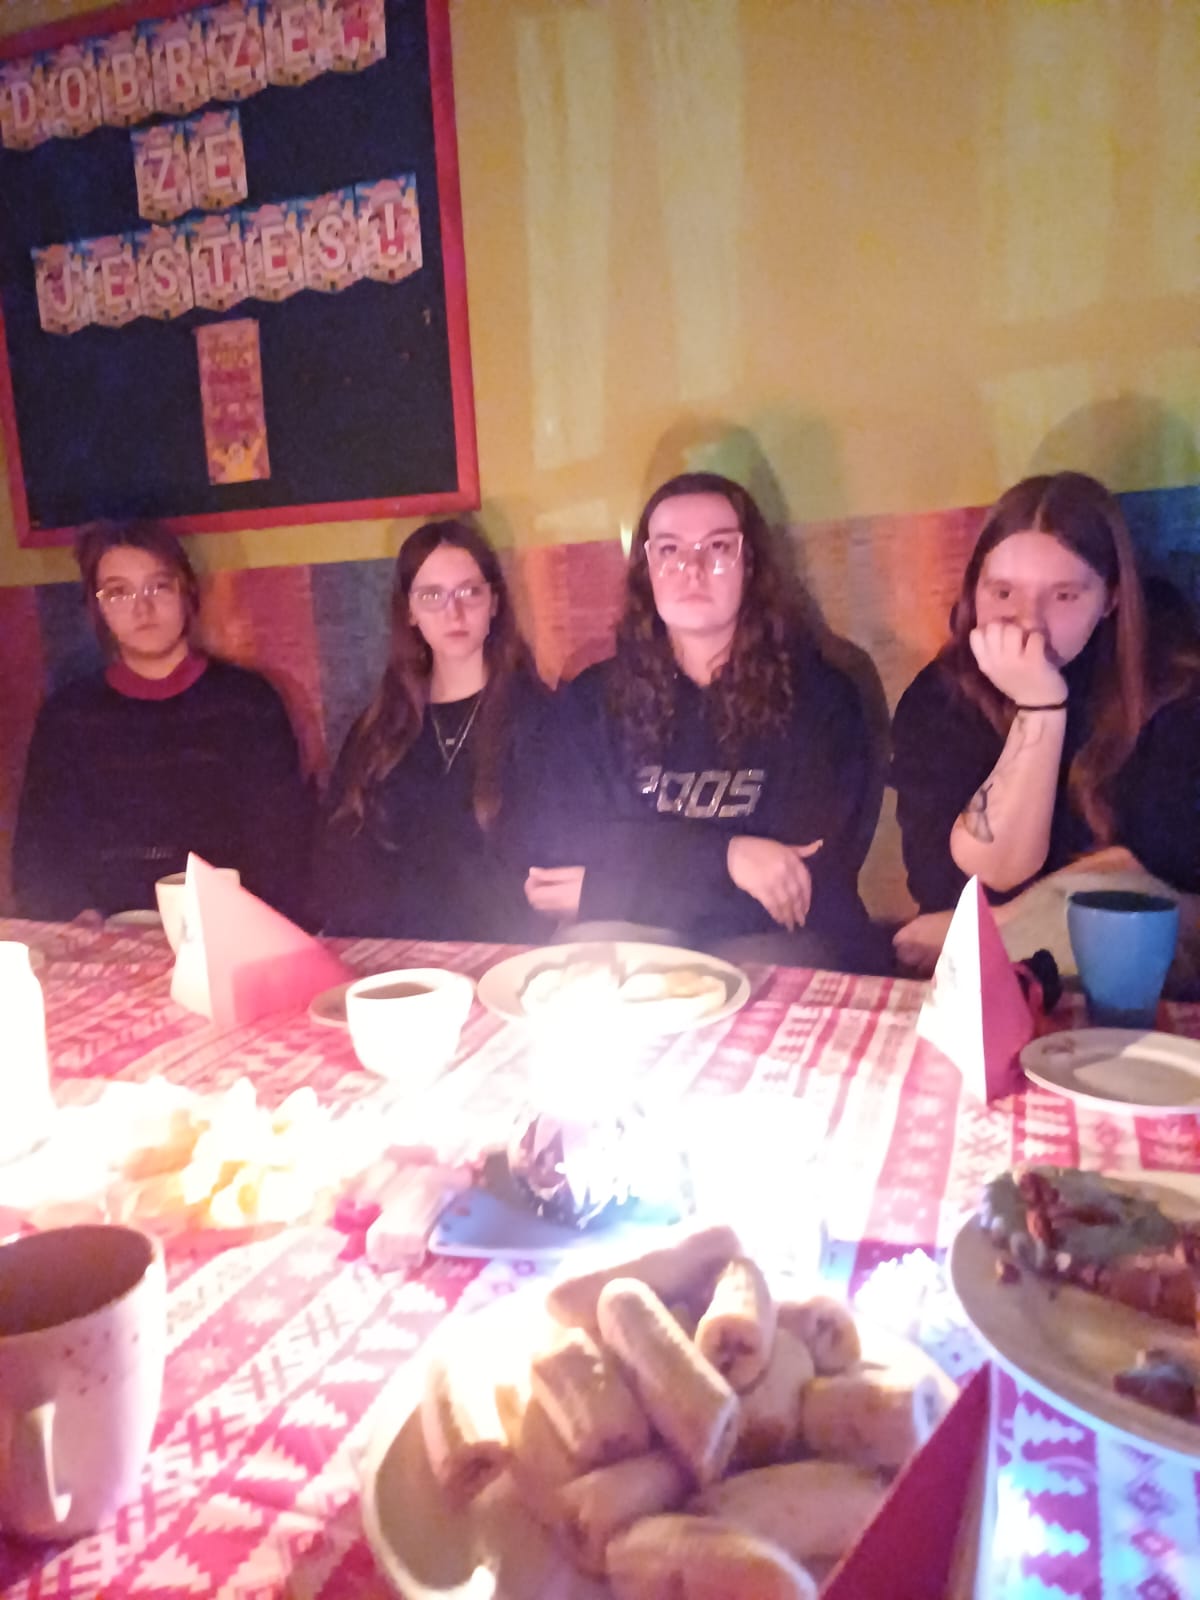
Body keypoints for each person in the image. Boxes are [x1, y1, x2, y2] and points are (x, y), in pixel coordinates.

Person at [528, 471, 881, 967]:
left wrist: (611, 887)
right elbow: (561, 851)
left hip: (776, 944)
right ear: (647, 569)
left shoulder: (823, 697)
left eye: (717, 547)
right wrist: (731, 857)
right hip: (635, 941)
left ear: (750, 565)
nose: (691, 569)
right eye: (669, 550)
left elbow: (805, 883)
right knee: (582, 960)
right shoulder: (591, 701)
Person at [891, 471, 1200, 970]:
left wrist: (1001, 919)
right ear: (974, 591)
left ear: (1111, 599)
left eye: (1064, 596)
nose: (1028, 621)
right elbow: (968, 880)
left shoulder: (1173, 688)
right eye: (1003, 593)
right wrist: (1041, 707)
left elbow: (1155, 891)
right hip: (996, 973)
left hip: (1144, 968)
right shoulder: (939, 698)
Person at [13, 521, 312, 921]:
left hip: (227, 922)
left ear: (187, 591)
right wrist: (76, 914)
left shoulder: (247, 703)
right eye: (118, 592)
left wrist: (241, 916)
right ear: (97, 609)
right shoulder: (69, 716)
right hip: (106, 926)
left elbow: (284, 844)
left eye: (158, 586)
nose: (142, 608)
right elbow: (38, 850)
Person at [314, 519, 555, 941]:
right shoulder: (378, 730)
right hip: (397, 953)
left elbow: (552, 865)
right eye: (432, 596)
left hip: (506, 952)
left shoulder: (544, 720)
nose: (453, 612)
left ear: (495, 602)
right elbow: (340, 860)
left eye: (469, 592)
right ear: (409, 611)